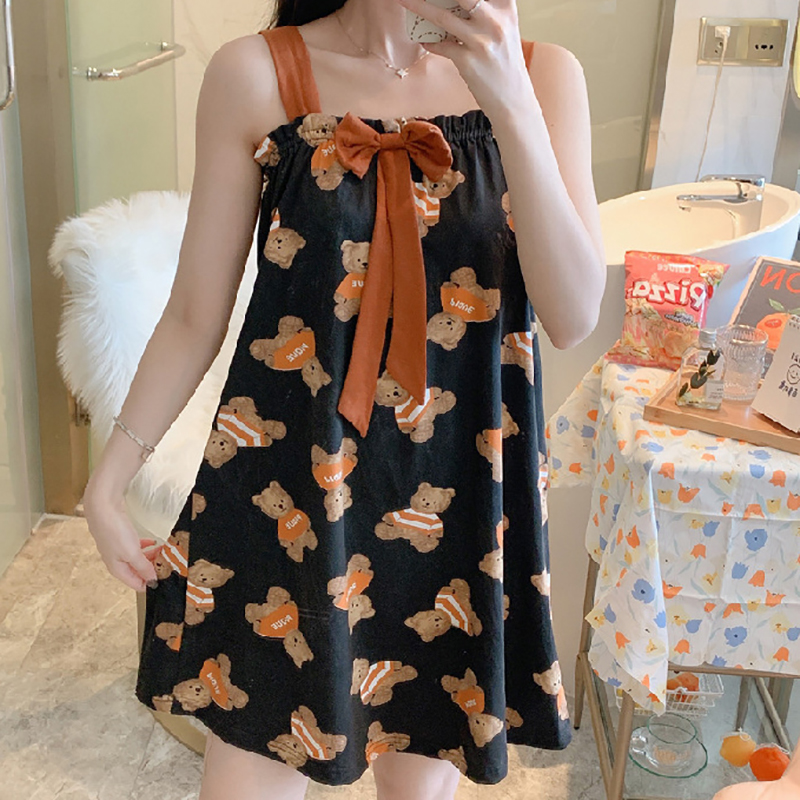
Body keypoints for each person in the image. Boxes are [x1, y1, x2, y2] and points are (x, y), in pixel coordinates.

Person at [83, 0, 605, 797]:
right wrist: (109, 478)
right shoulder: (255, 74)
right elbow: (194, 312)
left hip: (456, 501)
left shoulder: (544, 77)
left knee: (416, 783)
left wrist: (509, 101)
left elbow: (571, 316)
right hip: (289, 496)